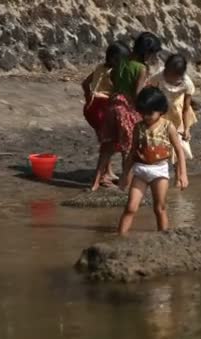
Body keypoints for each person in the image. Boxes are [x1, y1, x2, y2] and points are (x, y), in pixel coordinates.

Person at [91, 32, 162, 191]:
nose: (153, 57)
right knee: (128, 150)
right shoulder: (141, 68)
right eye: (153, 54)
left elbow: (114, 81)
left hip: (112, 107)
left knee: (106, 149)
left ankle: (94, 184)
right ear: (147, 52)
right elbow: (137, 93)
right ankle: (125, 185)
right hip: (127, 110)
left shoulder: (121, 61)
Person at [117, 87, 189, 236]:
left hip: (159, 172)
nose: (146, 116)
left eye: (150, 113)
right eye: (143, 113)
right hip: (140, 171)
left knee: (159, 208)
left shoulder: (168, 126)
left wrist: (183, 174)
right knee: (130, 207)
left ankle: (163, 237)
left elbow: (179, 150)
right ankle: (120, 236)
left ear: (161, 110)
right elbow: (132, 152)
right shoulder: (138, 127)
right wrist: (125, 175)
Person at [81, 42, 130, 184]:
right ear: (115, 59)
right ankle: (103, 176)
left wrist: (89, 97)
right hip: (104, 109)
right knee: (110, 142)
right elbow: (117, 92)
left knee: (105, 141)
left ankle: (108, 172)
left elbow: (85, 83)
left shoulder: (99, 68)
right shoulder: (113, 73)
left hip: (91, 108)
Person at [147, 54, 198, 182]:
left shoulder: (187, 84)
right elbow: (150, 94)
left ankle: (178, 176)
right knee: (158, 143)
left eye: (171, 76)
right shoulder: (158, 77)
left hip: (177, 116)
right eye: (166, 72)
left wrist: (186, 129)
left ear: (179, 75)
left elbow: (186, 108)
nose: (167, 77)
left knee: (178, 147)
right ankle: (156, 175)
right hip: (161, 115)